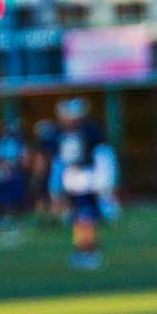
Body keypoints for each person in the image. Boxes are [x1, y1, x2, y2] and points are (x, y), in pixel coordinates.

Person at [53, 97, 115, 270]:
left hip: (87, 180)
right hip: (73, 180)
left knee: (85, 219)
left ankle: (90, 252)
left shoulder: (90, 131)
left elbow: (101, 156)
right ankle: (83, 251)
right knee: (79, 220)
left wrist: (102, 182)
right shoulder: (65, 133)